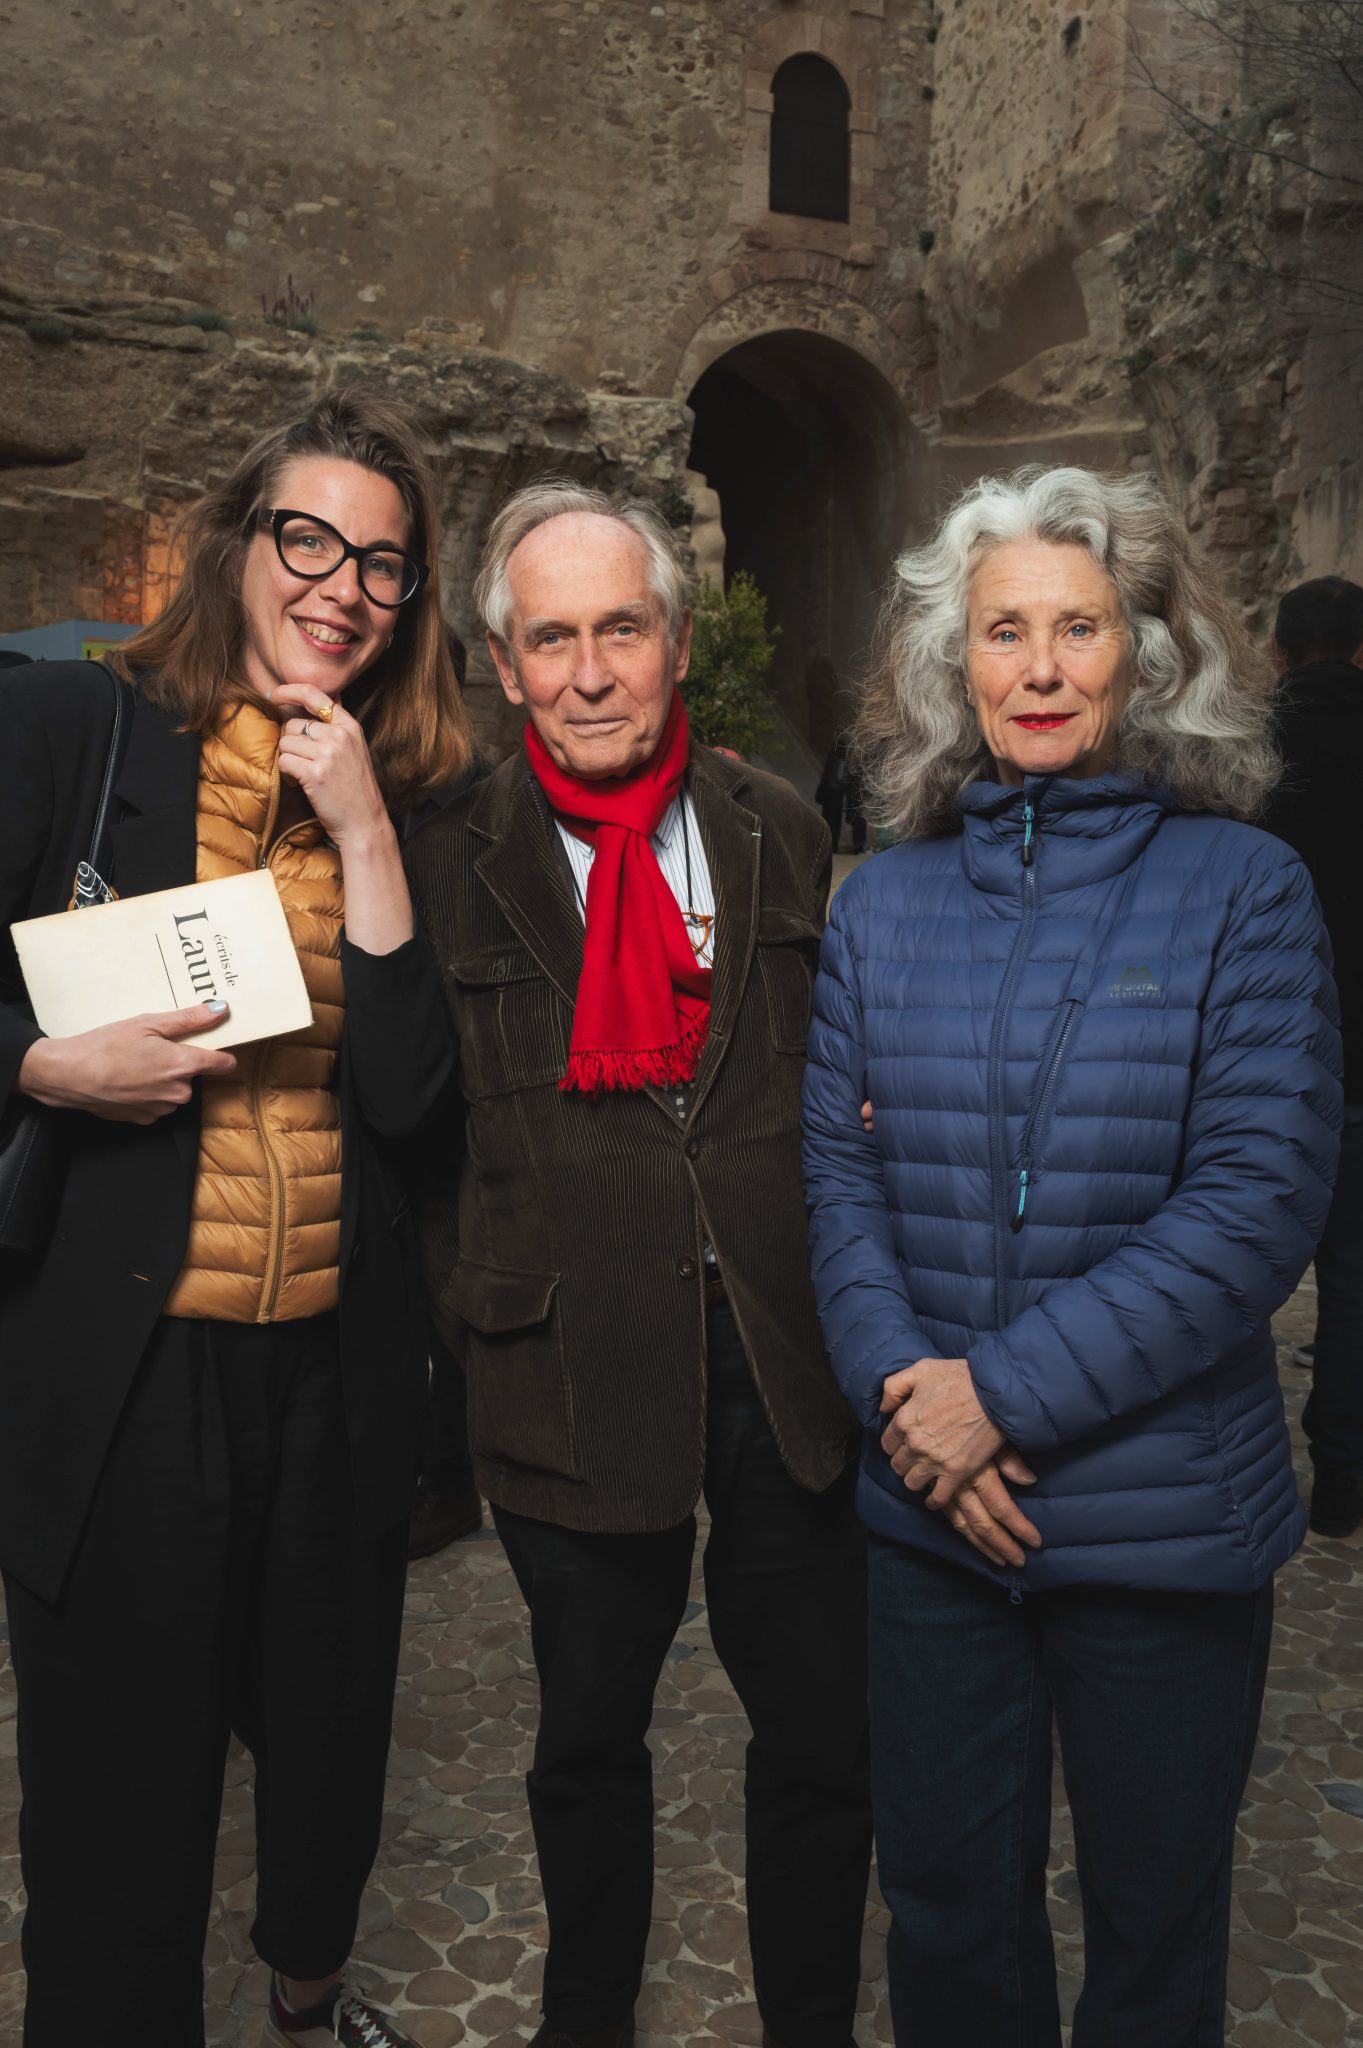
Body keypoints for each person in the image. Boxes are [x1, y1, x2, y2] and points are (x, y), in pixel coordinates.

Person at [802, 466, 1341, 2048]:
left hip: (1161, 1523)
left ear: (1146, 653)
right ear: (950, 667)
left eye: (1078, 628)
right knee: (947, 1915)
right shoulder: (880, 906)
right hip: (929, 1526)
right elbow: (838, 1178)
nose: (1038, 669)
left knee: (1152, 1932)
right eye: (1002, 633)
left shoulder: (1247, 891)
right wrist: (914, 1402)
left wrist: (996, 1402)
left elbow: (1251, 1206)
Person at [0, 388, 473, 2048]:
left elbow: (415, 1106)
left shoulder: (404, 800)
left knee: (327, 1745)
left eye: (385, 565)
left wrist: (358, 826)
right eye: (310, 540)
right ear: (235, 543)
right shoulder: (78, 733)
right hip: (128, 1382)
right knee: (117, 1799)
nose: (344, 585)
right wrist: (44, 1062)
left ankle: (307, 1994)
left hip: (327, 1379)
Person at [406, 480, 872, 2048]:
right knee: (585, 1746)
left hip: (782, 1366)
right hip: (565, 1369)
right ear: (503, 661)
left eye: (620, 628)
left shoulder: (776, 825)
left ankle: (810, 2017)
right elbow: (418, 1139)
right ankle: (582, 2023)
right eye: (554, 639)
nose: (590, 671)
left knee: (822, 1739)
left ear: (673, 642)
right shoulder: (446, 854)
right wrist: (476, 1327)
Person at [1262, 576, 1363, 1537]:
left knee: (1224, 1259)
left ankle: (1227, 1469)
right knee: (1353, 1280)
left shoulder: (1250, 751)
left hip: (1262, 1058)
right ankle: (1340, 1482)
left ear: (1277, 653)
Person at [407, 621, 484, 1559]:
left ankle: (453, 1478)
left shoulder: (465, 794)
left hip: (450, 1096)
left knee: (450, 1301)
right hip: (388, 1083)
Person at [814, 732, 866, 854]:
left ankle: (826, 846)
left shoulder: (830, 762)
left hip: (828, 797)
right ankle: (833, 846)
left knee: (827, 822)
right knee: (835, 824)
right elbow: (841, 779)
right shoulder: (841, 762)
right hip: (836, 796)